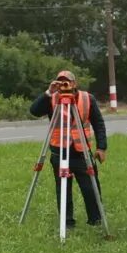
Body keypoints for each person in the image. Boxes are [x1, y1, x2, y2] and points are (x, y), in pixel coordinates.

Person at [29, 69, 109, 229]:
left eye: (67, 81)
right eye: (60, 81)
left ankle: (96, 219)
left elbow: (98, 123)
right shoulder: (52, 99)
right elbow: (34, 111)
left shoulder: (88, 99)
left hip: (82, 152)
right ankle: (67, 223)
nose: (64, 85)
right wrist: (48, 92)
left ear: (74, 83)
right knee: (63, 189)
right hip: (59, 151)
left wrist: (102, 147)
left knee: (90, 187)